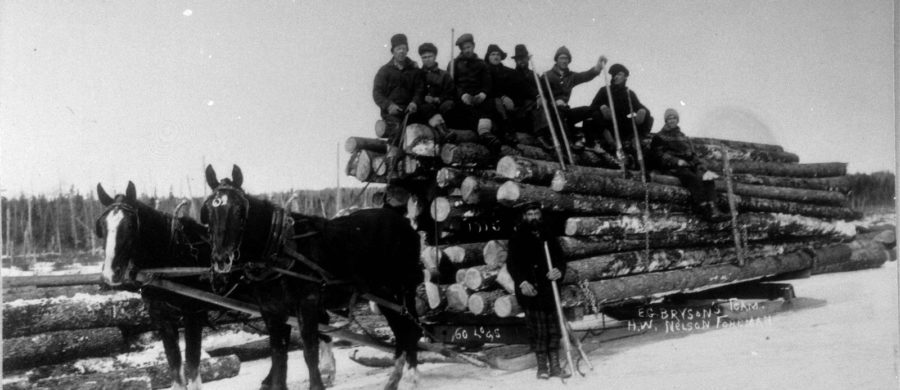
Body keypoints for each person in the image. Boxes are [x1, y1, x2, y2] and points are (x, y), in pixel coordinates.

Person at [505, 201, 569, 379]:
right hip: (530, 291)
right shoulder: (517, 237)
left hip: (550, 290)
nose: (534, 217)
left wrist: (559, 271)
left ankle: (555, 366)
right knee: (538, 330)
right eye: (530, 214)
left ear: (540, 215)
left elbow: (560, 260)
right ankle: (542, 367)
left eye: (536, 213)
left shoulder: (548, 235)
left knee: (553, 329)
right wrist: (522, 282)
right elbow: (512, 265)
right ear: (525, 217)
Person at [650, 108, 729, 222]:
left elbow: (692, 155)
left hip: (688, 166)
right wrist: (676, 161)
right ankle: (704, 209)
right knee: (692, 178)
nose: (672, 120)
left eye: (674, 118)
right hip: (672, 168)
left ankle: (714, 209)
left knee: (707, 177)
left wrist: (700, 166)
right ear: (666, 121)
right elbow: (658, 155)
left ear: (677, 120)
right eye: (669, 118)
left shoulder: (683, 137)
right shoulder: (660, 137)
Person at [372, 33, 424, 180]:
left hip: (410, 110)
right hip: (392, 112)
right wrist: (388, 106)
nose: (401, 51)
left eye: (404, 48)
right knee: (396, 128)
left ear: (407, 50)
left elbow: (420, 90)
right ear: (393, 51)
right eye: (398, 48)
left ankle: (414, 167)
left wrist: (414, 102)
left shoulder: (414, 71)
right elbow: (377, 93)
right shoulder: (384, 71)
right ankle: (392, 166)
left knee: (418, 133)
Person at [539, 47, 606, 150]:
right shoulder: (547, 76)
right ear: (556, 60)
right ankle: (569, 142)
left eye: (566, 58)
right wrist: (554, 102)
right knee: (559, 113)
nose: (564, 61)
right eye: (561, 58)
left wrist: (598, 67)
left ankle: (590, 142)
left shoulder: (571, 76)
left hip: (566, 112)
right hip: (552, 114)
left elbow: (586, 76)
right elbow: (542, 95)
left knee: (591, 110)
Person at [589, 63, 653, 168]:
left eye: (619, 74)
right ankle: (611, 143)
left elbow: (641, 107)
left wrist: (642, 112)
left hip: (622, 125)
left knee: (649, 118)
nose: (616, 77)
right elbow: (591, 107)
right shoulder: (605, 90)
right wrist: (602, 108)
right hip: (607, 125)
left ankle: (636, 140)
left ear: (625, 76)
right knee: (596, 115)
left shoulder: (629, 93)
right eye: (614, 75)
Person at [448, 33, 500, 150]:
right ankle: (483, 134)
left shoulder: (481, 64)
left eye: (469, 47)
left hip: (478, 96)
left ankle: (486, 133)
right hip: (462, 97)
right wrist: (462, 95)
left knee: (488, 105)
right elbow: (452, 84)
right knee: (464, 111)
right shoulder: (454, 64)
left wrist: (482, 94)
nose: (467, 50)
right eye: (464, 48)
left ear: (473, 46)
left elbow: (487, 83)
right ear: (461, 49)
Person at [418, 42, 457, 143]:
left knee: (450, 105)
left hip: (440, 107)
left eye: (430, 56)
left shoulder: (444, 75)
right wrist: (423, 97)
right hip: (423, 108)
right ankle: (443, 132)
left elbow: (450, 92)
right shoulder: (417, 75)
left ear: (435, 56)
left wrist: (438, 99)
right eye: (424, 57)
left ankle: (447, 130)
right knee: (424, 107)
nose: (427, 59)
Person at [484, 44, 519, 143]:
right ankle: (507, 132)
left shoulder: (508, 72)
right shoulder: (484, 71)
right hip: (489, 101)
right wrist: (502, 97)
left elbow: (515, 89)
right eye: (493, 54)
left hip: (507, 103)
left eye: (498, 54)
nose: (496, 57)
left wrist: (509, 98)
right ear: (488, 57)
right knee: (497, 102)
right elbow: (488, 88)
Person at [507, 44, 541, 138]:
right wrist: (537, 96)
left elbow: (542, 90)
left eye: (524, 58)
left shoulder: (534, 75)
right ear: (515, 60)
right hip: (520, 110)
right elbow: (522, 88)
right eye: (519, 58)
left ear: (528, 59)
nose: (521, 60)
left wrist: (541, 96)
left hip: (534, 109)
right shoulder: (512, 74)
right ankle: (540, 135)